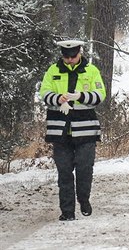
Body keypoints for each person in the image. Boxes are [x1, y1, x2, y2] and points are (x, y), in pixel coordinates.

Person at [40, 40, 106, 221]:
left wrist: (80, 97)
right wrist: (57, 99)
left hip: (85, 130)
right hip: (60, 131)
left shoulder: (91, 71)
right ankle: (67, 211)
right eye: (66, 57)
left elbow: (100, 95)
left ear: (80, 53)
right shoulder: (53, 70)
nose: (69, 60)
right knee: (64, 171)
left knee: (85, 168)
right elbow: (44, 92)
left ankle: (83, 199)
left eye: (73, 57)